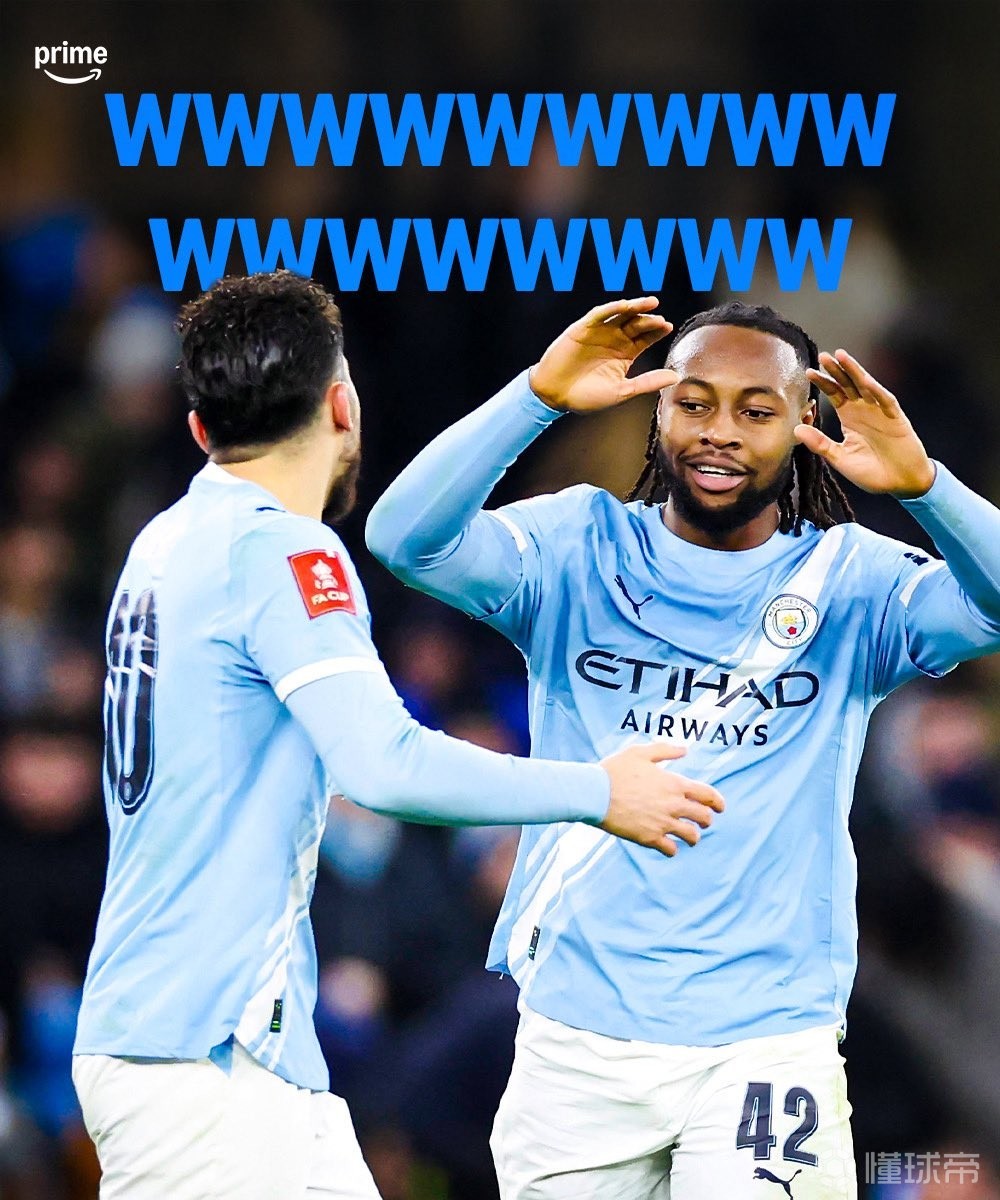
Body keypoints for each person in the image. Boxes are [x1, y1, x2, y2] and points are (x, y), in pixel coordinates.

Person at [70, 274, 726, 1200]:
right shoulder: (281, 548)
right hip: (206, 1056)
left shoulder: (165, 543)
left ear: (199, 428)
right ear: (343, 405)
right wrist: (599, 790)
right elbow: (384, 763)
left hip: (214, 1048)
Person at [365, 296, 1000, 1199]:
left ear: (805, 424)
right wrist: (537, 397)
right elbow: (401, 538)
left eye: (756, 409)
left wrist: (925, 486)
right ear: (657, 410)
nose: (720, 431)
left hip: (767, 1039)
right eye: (694, 402)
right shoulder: (576, 546)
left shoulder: (851, 580)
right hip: (576, 1034)